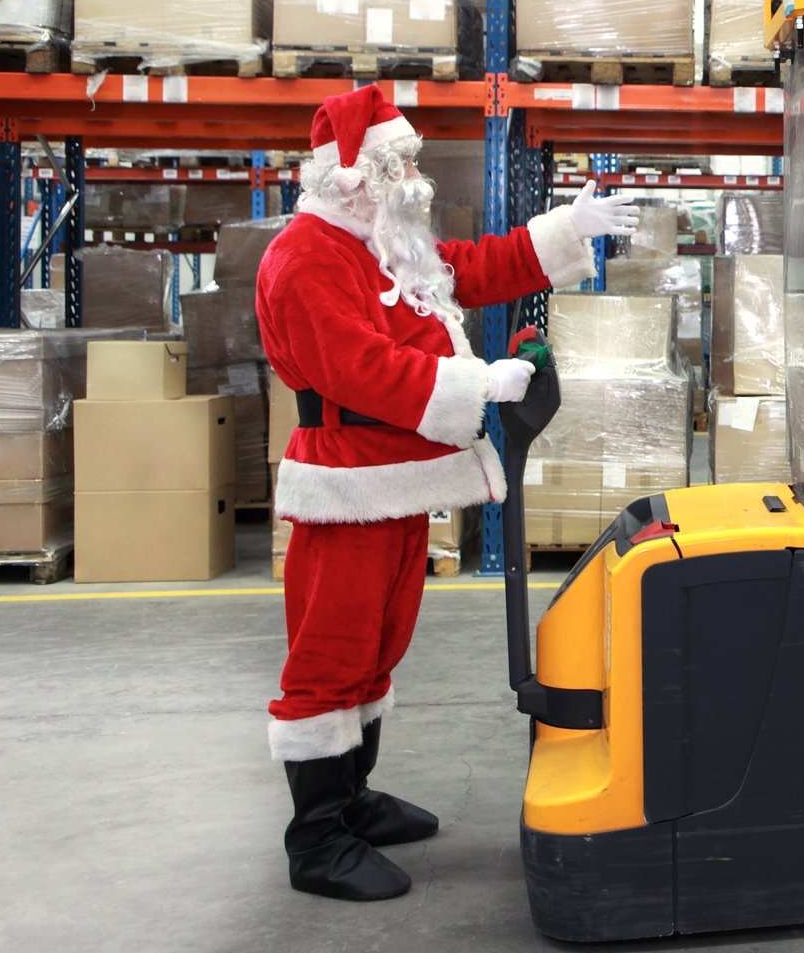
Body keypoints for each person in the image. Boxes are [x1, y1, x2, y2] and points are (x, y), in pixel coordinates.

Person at [254, 85, 637, 900]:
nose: (417, 175)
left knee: (380, 642)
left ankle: (351, 799)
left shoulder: (384, 241)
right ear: (354, 175)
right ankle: (316, 839)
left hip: (398, 480)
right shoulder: (304, 257)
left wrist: (569, 233)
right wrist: (478, 381)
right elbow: (359, 369)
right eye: (402, 162)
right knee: (330, 654)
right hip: (348, 483)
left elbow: (471, 268)